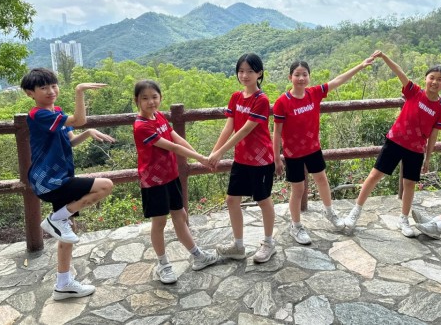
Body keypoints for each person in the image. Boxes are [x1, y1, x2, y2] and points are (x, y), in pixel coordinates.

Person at [21, 68, 115, 300]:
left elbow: (71, 141)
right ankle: (55, 219)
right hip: (49, 181)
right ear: (30, 93)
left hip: (59, 178)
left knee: (67, 231)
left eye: (53, 86)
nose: (51, 91)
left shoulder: (57, 113)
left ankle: (63, 284)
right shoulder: (38, 115)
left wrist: (89, 132)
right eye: (43, 88)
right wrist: (79, 91)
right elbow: (79, 119)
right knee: (105, 185)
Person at [344, 51, 441, 237]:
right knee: (375, 175)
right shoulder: (414, 92)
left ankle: (403, 219)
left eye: (440, 79)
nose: (434, 82)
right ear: (425, 79)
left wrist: (428, 157)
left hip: (416, 149)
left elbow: (434, 135)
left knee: (409, 184)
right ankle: (355, 212)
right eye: (431, 77)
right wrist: (384, 57)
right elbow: (399, 72)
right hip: (395, 141)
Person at [273, 56, 375, 245]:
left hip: (313, 148)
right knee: (298, 190)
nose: (301, 78)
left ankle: (330, 212)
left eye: (304, 74)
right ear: (290, 77)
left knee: (322, 179)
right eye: (297, 75)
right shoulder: (282, 102)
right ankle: (296, 226)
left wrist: (360, 66)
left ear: (309, 77)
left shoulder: (314, 93)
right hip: (293, 154)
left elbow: (338, 80)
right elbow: (277, 131)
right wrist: (276, 158)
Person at [133, 80, 218, 283]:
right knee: (159, 222)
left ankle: (197, 256)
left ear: (160, 97)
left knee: (180, 216)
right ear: (137, 101)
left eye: (154, 97)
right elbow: (173, 147)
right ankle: (163, 264)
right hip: (154, 181)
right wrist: (201, 158)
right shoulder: (141, 126)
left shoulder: (159, 117)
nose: (151, 102)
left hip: (170, 176)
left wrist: (199, 157)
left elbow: (177, 138)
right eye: (145, 98)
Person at [208, 53, 277, 263]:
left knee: (263, 200)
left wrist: (221, 153)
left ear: (259, 73)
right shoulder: (236, 97)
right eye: (241, 71)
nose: (244, 75)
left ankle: (268, 243)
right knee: (232, 200)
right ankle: (238, 246)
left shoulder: (261, 100)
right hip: (241, 158)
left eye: (250, 71)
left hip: (261, 159)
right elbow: (229, 126)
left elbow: (246, 129)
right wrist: (214, 152)